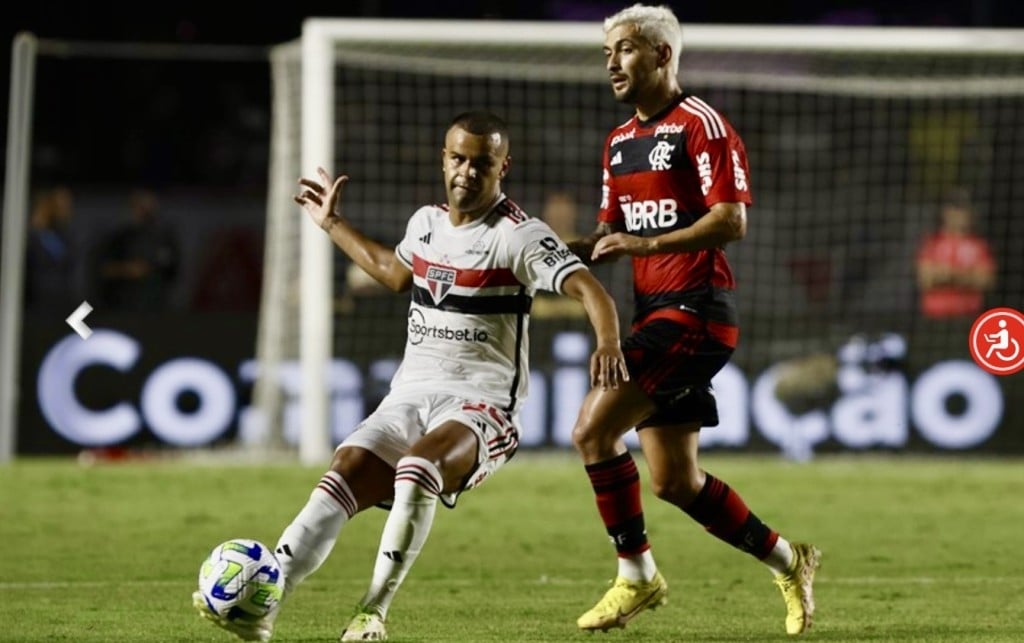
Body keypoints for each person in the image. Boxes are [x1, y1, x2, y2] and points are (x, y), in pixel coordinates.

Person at [192, 110, 629, 642]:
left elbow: (592, 291)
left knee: (418, 468)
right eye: (458, 159)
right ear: (444, 159)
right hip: (411, 395)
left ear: (502, 167)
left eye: (482, 163)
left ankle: (372, 613)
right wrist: (331, 223)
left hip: (482, 407)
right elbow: (393, 272)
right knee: (343, 471)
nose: (467, 171)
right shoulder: (425, 223)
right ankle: (261, 602)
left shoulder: (519, 236)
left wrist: (607, 343)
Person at [564, 4, 821, 636]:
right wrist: (534, 253)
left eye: (624, 50)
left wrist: (646, 248)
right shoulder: (618, 143)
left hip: (698, 313)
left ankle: (636, 577)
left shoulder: (701, 125)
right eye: (607, 53)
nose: (613, 63)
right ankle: (792, 561)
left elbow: (731, 220)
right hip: (655, 312)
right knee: (675, 481)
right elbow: (608, 237)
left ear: (661, 54)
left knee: (592, 432)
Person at [915, 188, 995, 319]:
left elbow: (985, 281)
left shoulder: (978, 244)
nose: (961, 214)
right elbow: (925, 279)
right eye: (956, 209)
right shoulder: (932, 242)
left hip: (968, 316)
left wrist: (947, 275)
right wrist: (967, 276)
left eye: (964, 209)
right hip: (935, 317)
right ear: (946, 212)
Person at [95, 189, 180, 310]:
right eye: (138, 206)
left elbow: (173, 270)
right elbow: (103, 270)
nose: (142, 210)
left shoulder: (164, 238)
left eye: (147, 206)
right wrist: (127, 269)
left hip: (155, 306)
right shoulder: (118, 237)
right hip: (122, 306)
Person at [24, 185, 76, 312]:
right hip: (35, 300)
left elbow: (65, 260)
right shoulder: (31, 236)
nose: (65, 208)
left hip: (62, 298)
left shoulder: (63, 234)